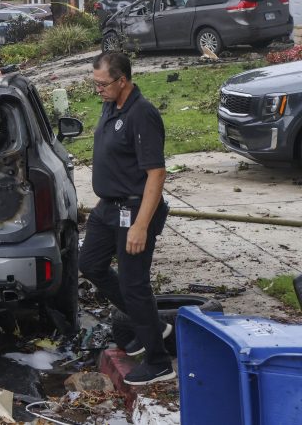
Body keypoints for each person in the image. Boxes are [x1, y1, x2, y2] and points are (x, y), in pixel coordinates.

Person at [79, 51, 173, 386]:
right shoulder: (110, 104)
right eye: (95, 84)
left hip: (134, 209)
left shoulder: (142, 114)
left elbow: (157, 174)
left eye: (103, 84)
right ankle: (149, 322)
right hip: (108, 208)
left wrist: (141, 225)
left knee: (134, 285)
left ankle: (159, 360)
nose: (98, 90)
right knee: (90, 264)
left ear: (123, 80)